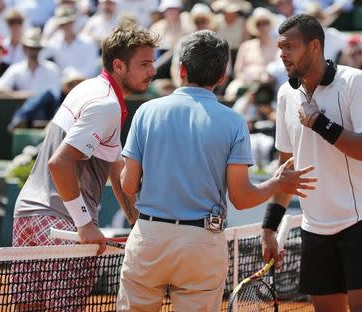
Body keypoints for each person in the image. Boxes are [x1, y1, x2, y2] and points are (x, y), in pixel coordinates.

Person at [117, 30, 317, 311]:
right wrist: (276, 183)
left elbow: (128, 186)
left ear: (181, 70)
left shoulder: (147, 112)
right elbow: (241, 198)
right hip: (202, 243)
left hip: (150, 236)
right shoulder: (233, 122)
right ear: (222, 77)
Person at [12, 24, 157, 310]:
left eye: (152, 62)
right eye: (145, 64)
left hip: (27, 217)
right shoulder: (107, 105)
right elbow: (60, 163)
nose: (152, 71)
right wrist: (84, 223)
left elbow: (117, 174)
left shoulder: (90, 89)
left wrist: (137, 223)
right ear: (119, 65)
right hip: (61, 225)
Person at [261, 14, 362, 312]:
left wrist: (320, 123)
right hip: (315, 226)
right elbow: (286, 167)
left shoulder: (355, 82)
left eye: (290, 47)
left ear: (315, 47)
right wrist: (269, 227)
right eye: (280, 47)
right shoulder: (285, 94)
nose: (282, 54)